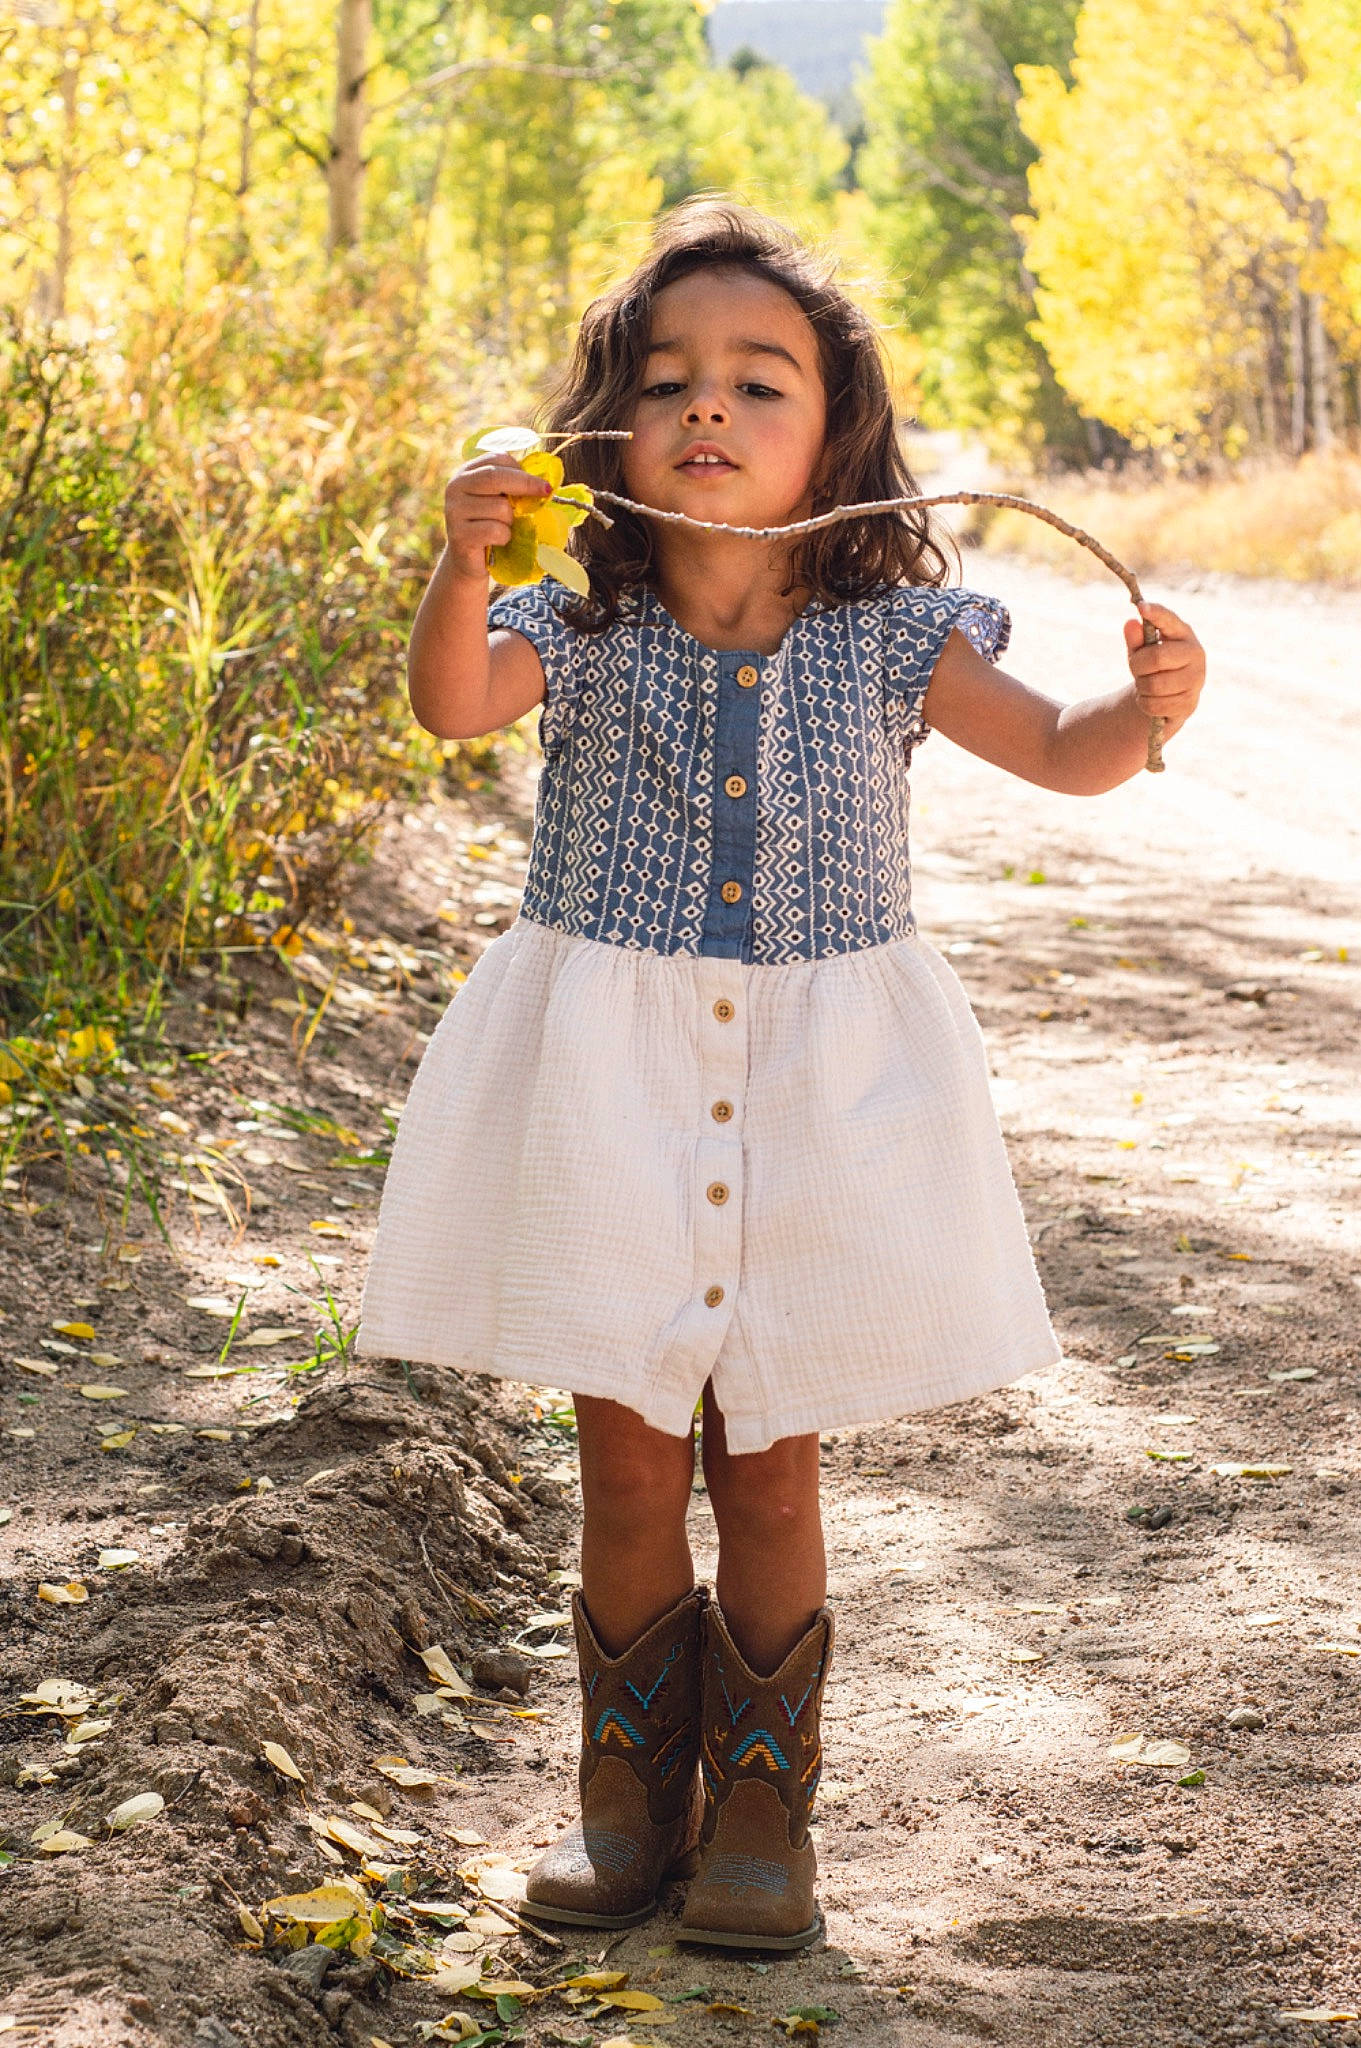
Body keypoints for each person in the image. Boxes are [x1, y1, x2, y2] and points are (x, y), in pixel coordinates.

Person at [356, 199, 1206, 1952]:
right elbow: (451, 705)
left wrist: (1147, 714)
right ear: (609, 427)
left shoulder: (897, 635)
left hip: (816, 1093)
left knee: (766, 1463)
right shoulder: (571, 621)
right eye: (664, 381)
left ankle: (760, 1823)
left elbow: (1059, 747)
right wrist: (460, 557)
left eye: (759, 380)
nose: (707, 410)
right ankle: (624, 1813)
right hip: (609, 1086)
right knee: (620, 1461)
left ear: (838, 428)